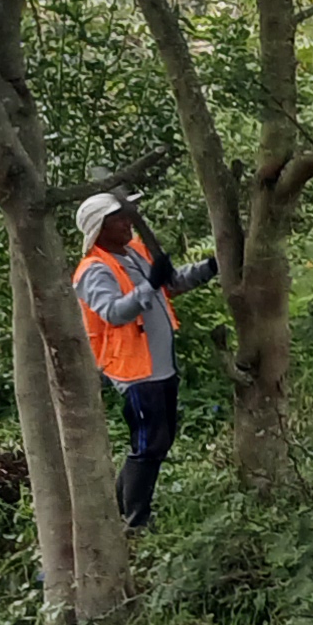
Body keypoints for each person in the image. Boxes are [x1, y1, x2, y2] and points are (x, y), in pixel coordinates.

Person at [71, 191, 216, 528]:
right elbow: (114, 312)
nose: (128, 223)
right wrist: (149, 285)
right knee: (149, 442)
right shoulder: (93, 270)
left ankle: (120, 508)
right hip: (134, 369)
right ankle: (135, 519)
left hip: (160, 364)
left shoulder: (134, 252)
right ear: (99, 228)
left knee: (159, 440)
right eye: (118, 219)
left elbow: (170, 284)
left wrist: (210, 267)